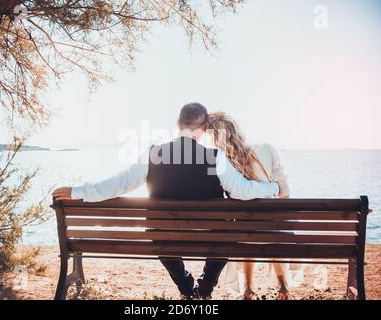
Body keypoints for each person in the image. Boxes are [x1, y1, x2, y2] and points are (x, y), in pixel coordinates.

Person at [53, 103, 281, 299]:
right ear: (203, 129)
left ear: (178, 124)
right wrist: (274, 187)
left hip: (165, 238)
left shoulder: (154, 154)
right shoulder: (215, 158)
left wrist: (76, 191)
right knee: (229, 232)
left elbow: (119, 183)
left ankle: (184, 285)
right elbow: (242, 191)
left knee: (157, 230)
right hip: (210, 236)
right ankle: (206, 286)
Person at [205, 112, 300, 300]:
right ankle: (283, 287)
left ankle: (248, 288)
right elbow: (284, 193)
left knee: (248, 229)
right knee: (273, 228)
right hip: (274, 229)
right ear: (236, 128)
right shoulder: (267, 148)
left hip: (244, 230)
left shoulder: (222, 158)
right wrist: (272, 189)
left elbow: (231, 192)